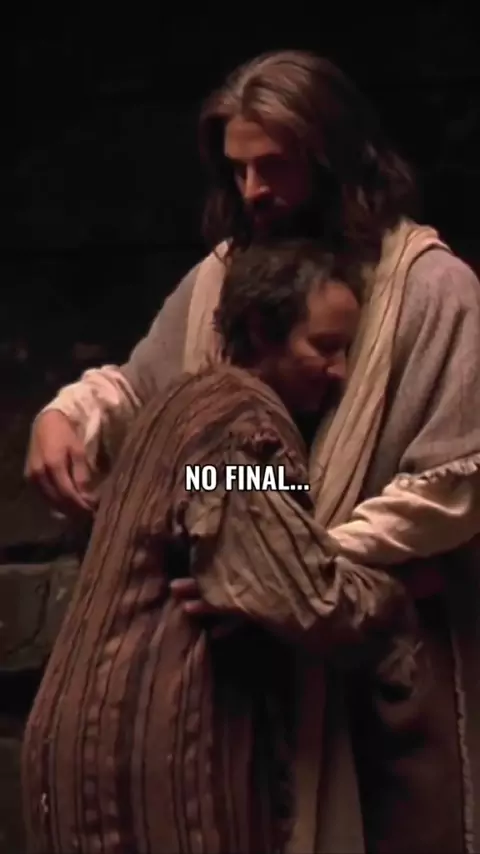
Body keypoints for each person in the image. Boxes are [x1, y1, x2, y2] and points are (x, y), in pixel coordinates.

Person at [25, 50, 480, 853]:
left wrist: (294, 565)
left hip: (380, 657)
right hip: (233, 675)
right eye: (238, 171)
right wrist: (64, 415)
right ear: (260, 331)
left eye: (275, 166)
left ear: (335, 156)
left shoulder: (435, 290)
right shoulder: (225, 322)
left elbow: (452, 486)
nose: (253, 192)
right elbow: (173, 427)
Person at [21, 243, 418, 854]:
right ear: (261, 331)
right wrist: (393, 597)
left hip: (79, 742)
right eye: (324, 347)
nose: (340, 371)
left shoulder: (176, 408)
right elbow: (299, 591)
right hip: (151, 749)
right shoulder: (241, 429)